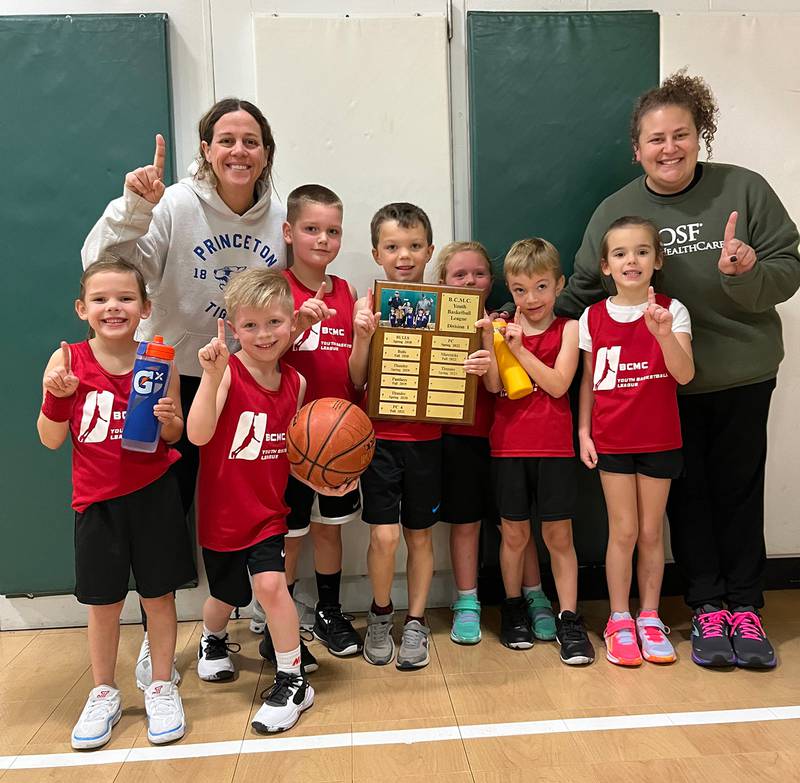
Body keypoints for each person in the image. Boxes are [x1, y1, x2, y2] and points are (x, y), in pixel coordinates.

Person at [559, 71, 800, 669]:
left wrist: (745, 271)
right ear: (636, 148)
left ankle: (744, 608)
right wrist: (515, 316)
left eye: (681, 135)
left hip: (740, 375)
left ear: (701, 136)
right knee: (685, 503)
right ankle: (705, 607)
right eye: (656, 139)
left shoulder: (744, 190)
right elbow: (581, 292)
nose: (670, 148)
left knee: (739, 493)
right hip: (658, 392)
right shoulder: (616, 210)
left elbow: (788, 270)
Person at [82, 98, 291, 686]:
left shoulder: (278, 216)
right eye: (226, 140)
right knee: (161, 510)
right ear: (206, 149)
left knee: (242, 503)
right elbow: (104, 265)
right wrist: (132, 209)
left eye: (250, 141)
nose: (238, 151)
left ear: (266, 152)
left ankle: (236, 619)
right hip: (169, 371)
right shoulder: (173, 203)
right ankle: (158, 641)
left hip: (241, 375)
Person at [37, 257, 195, 749]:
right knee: (102, 604)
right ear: (82, 307)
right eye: (101, 299)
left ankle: (163, 684)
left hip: (154, 496)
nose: (113, 307)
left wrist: (171, 419)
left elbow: (176, 433)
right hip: (96, 503)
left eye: (125, 298)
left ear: (145, 307)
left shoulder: (158, 358)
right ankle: (104, 690)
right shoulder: (66, 360)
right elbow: (49, 439)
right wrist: (56, 398)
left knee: (159, 597)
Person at [187, 269, 353, 733]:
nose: (264, 335)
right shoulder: (226, 374)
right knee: (222, 596)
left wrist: (326, 484)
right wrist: (210, 375)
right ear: (233, 327)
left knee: (271, 588)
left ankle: (292, 680)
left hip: (267, 515)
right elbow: (198, 435)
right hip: (222, 515)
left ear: (291, 322)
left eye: (275, 322)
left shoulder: (296, 383)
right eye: (251, 325)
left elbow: (297, 456)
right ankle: (213, 639)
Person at [577, 217, 694, 667]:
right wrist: (584, 431)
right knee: (622, 531)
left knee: (650, 532)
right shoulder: (592, 316)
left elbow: (684, 374)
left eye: (642, 251)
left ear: (657, 260)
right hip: (612, 440)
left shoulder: (672, 309)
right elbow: (588, 381)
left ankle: (649, 616)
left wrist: (663, 333)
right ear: (606, 265)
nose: (632, 261)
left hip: (660, 439)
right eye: (621, 254)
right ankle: (619, 619)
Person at [261, 184, 362, 670]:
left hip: (338, 436)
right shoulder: (275, 289)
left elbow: (354, 371)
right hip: (289, 438)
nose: (323, 239)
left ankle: (329, 609)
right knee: (290, 534)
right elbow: (258, 358)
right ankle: (277, 617)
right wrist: (296, 323)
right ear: (288, 232)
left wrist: (363, 338)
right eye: (311, 229)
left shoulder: (346, 292)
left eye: (333, 231)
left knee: (329, 530)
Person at [485, 239, 594, 664]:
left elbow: (558, 384)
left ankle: (569, 618)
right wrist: (493, 351)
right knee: (513, 534)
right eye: (519, 290)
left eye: (541, 287)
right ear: (510, 290)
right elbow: (495, 387)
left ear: (559, 284)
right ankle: (513, 607)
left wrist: (517, 350)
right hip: (508, 447)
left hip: (554, 449)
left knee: (558, 536)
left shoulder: (569, 328)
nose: (531, 299)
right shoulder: (499, 328)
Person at [349, 203, 440, 669]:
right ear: (376, 253)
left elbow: (458, 376)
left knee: (420, 536)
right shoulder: (366, 305)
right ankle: (381, 613)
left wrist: (469, 366)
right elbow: (355, 377)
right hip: (381, 440)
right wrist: (362, 337)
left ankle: (417, 621)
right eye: (392, 247)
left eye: (413, 246)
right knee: (384, 537)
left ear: (429, 249)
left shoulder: (449, 307)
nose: (403, 255)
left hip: (428, 442)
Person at [434, 242, 496, 644]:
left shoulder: (510, 320)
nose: (471, 281)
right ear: (442, 282)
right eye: (460, 275)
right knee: (466, 523)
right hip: (459, 439)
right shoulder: (433, 325)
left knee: (515, 524)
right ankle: (467, 600)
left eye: (479, 273)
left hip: (510, 440)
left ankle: (527, 597)